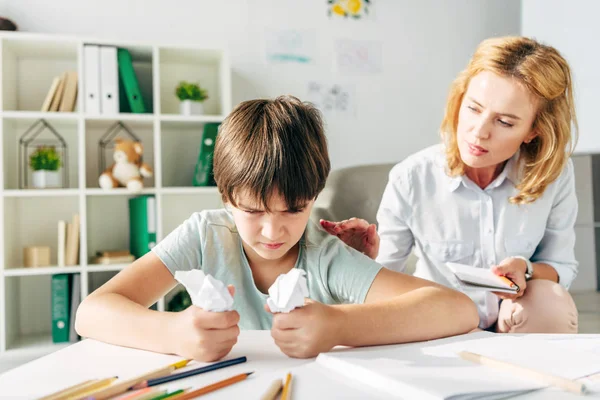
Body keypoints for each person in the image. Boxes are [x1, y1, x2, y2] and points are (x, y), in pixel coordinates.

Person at [75, 96, 478, 362]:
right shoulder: (205, 234)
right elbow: (91, 313)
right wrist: (174, 333)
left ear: (315, 196)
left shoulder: (325, 254)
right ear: (225, 197)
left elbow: (458, 310)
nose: (273, 231)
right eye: (252, 211)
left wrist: (340, 324)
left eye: (294, 209)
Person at [321, 36, 579, 334]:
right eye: (473, 108)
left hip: (516, 319)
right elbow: (386, 274)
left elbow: (561, 267)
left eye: (505, 122)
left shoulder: (553, 174)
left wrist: (526, 269)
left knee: (551, 302)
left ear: (533, 130)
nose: (479, 132)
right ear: (460, 99)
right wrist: (359, 261)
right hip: (440, 320)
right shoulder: (411, 177)